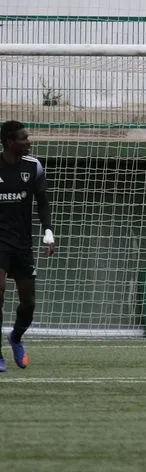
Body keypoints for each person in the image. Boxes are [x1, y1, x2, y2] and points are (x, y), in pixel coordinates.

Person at [0, 120, 55, 372]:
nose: (28, 141)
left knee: (28, 302)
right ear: (9, 142)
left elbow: (42, 202)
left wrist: (48, 231)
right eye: (23, 138)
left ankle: (16, 338)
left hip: (22, 243)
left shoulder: (33, 166)